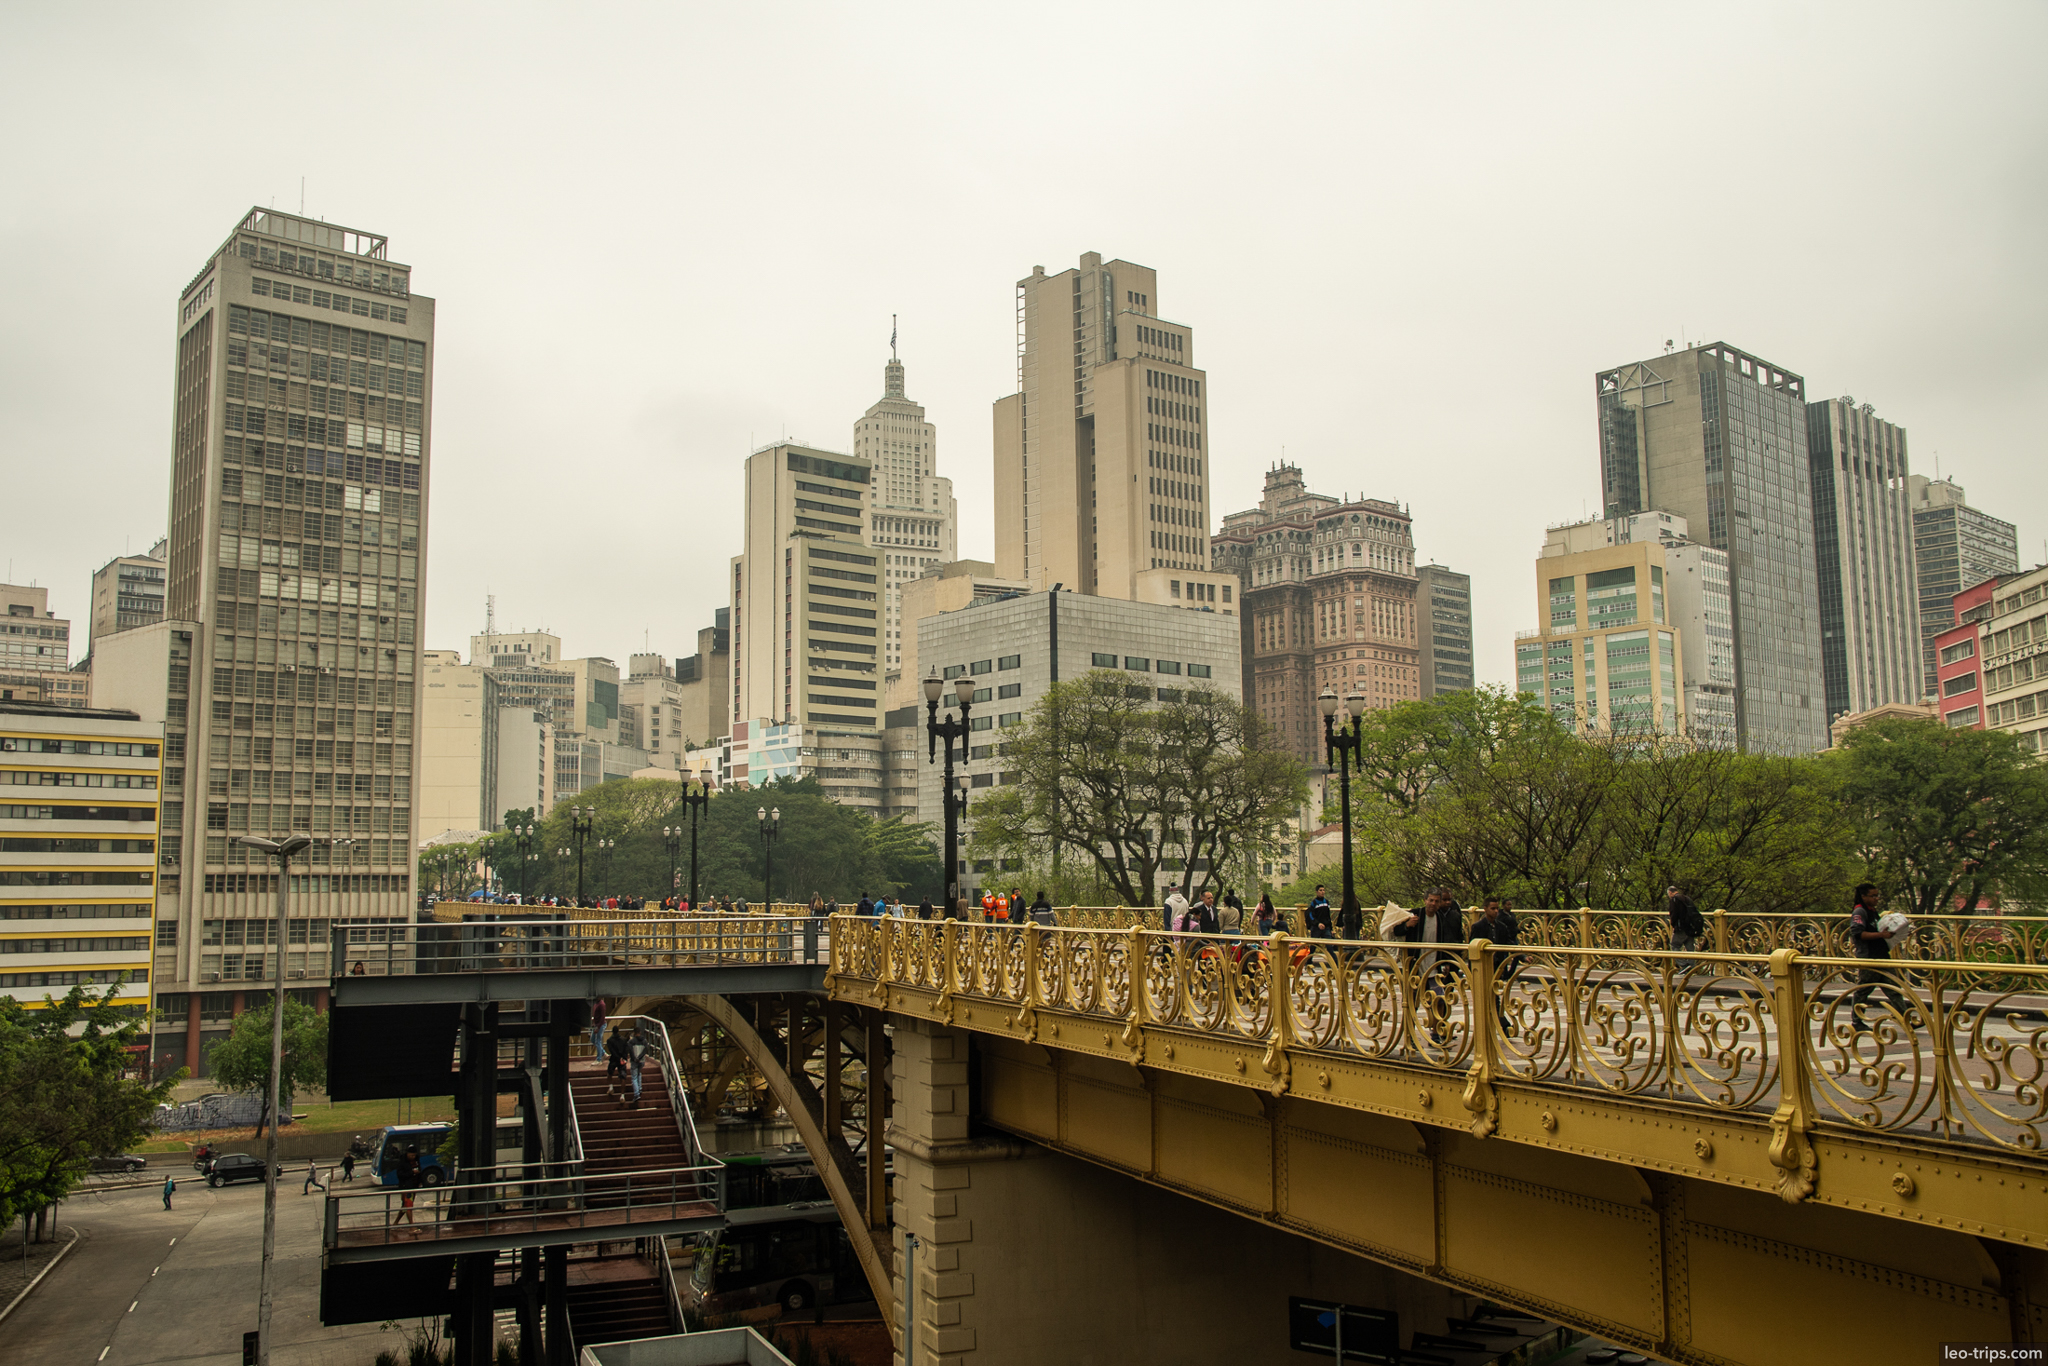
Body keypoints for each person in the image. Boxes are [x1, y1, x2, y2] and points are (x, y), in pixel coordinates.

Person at [1393, 888, 1465, 1045]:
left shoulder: (1441, 918)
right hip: (1415, 967)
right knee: (1413, 1002)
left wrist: (1445, 962)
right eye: (1430, 900)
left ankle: (1437, 1032)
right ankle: (1410, 1036)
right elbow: (1395, 930)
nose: (1433, 904)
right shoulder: (1415, 914)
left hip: (1434, 967)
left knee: (1439, 1000)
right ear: (1425, 900)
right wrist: (1407, 926)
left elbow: (1444, 941)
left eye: (1436, 901)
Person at [1847, 882, 1913, 1035]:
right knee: (1864, 989)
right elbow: (1858, 934)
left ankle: (1905, 1019)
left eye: (1877, 895)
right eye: (1873, 896)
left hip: (1881, 955)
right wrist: (1882, 935)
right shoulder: (1860, 912)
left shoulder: (1872, 911)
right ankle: (1857, 1021)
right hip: (1869, 957)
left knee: (1893, 987)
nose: (1877, 898)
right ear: (1863, 897)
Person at [626, 1025, 651, 1107]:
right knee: (639, 1073)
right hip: (642, 1061)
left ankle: (636, 1094)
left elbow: (630, 1051)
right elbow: (645, 1050)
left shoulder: (631, 1041)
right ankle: (640, 1088)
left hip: (634, 1061)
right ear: (640, 1032)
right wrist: (640, 1057)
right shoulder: (644, 1041)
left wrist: (634, 1058)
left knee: (634, 1077)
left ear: (634, 1033)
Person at [605, 1023, 630, 1092]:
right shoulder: (624, 1040)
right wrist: (624, 1058)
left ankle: (611, 1087)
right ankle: (622, 1095)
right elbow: (626, 1049)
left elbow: (612, 1051)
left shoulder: (609, 1040)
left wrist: (618, 1057)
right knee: (623, 1077)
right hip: (622, 1060)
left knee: (610, 1073)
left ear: (612, 1032)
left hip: (614, 1059)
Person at [590, 996, 609, 1061]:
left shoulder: (602, 1005)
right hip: (596, 1025)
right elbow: (596, 1015)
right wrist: (594, 1023)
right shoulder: (596, 1003)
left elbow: (602, 1018)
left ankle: (599, 1059)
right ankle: (603, 1053)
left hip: (600, 1025)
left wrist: (597, 1028)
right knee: (592, 1039)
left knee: (598, 1041)